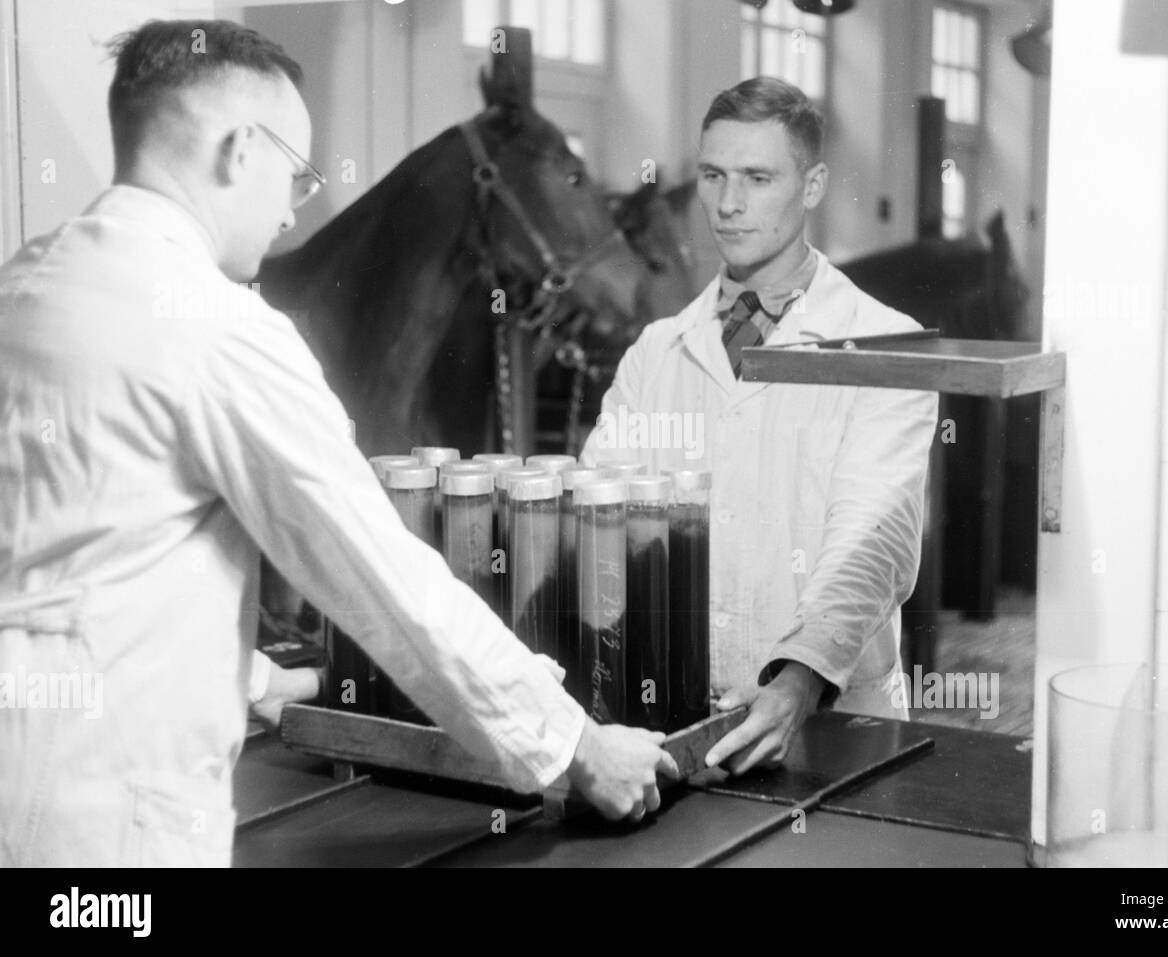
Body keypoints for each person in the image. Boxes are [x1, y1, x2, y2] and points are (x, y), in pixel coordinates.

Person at [0, 19, 674, 868]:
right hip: (111, 830)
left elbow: (68, 567)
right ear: (240, 148)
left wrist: (251, 679)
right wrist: (577, 744)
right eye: (296, 174)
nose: (292, 209)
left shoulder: (26, 284)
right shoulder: (215, 326)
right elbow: (378, 575)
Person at [582, 77, 938, 775]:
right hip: (677, 726)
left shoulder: (886, 343)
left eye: (757, 177)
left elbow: (874, 538)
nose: (727, 203)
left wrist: (801, 677)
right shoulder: (658, 351)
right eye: (713, 175)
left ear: (812, 186)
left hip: (834, 727)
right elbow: (600, 523)